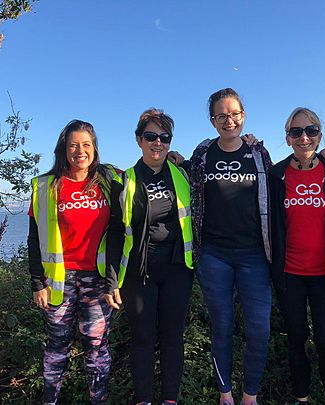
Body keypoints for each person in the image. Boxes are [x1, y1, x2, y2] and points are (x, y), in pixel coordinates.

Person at [188, 88, 272, 405]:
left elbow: (281, 182)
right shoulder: (203, 155)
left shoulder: (258, 154)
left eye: (234, 113)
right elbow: (184, 178)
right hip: (214, 255)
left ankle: (249, 396)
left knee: (259, 330)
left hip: (255, 255)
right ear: (213, 121)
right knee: (221, 326)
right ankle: (226, 396)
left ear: (243, 115)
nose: (229, 120)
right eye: (221, 115)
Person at [104, 108, 194, 405]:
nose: (158, 143)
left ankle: (170, 399)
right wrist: (112, 281)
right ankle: (144, 400)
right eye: (151, 136)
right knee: (142, 339)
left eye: (164, 137)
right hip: (138, 273)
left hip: (178, 270)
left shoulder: (181, 173)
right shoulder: (125, 180)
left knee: (172, 337)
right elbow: (115, 232)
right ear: (139, 140)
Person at [28, 119, 120, 405]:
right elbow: (34, 239)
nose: (80, 151)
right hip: (59, 280)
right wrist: (36, 282)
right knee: (57, 346)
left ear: (94, 148)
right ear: (63, 149)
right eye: (73, 145)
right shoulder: (46, 186)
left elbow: (148, 172)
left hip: (99, 279)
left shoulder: (110, 180)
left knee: (96, 346)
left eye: (86, 145)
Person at [269, 107, 325, 405]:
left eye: (311, 131)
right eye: (296, 132)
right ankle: (302, 398)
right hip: (290, 274)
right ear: (287, 138)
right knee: (297, 339)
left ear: (320, 134)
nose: (304, 137)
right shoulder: (276, 175)